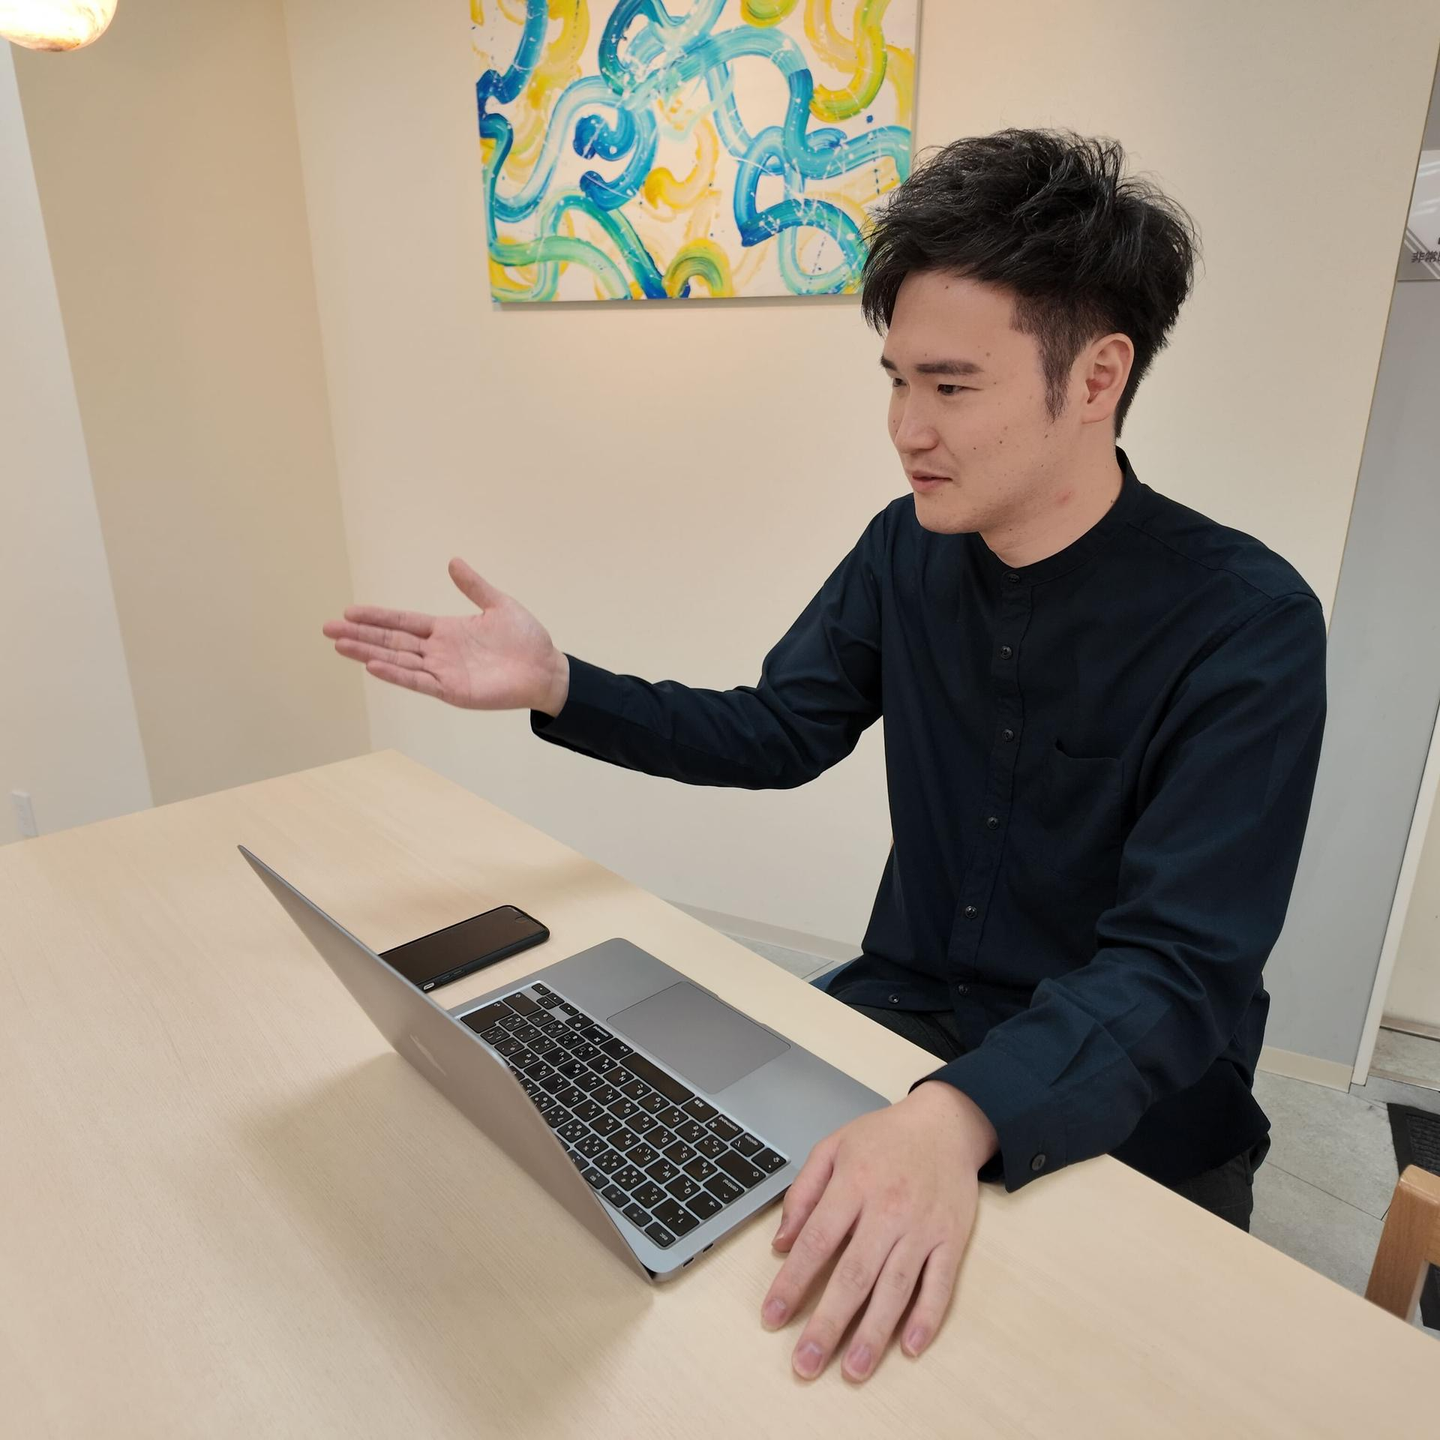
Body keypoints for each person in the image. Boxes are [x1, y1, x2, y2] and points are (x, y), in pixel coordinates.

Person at [321, 128, 1326, 1386]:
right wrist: (559, 681)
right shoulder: (907, 549)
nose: (907, 429)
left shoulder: (1246, 623)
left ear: (1097, 376)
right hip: (900, 1030)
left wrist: (959, 1115)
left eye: (951, 387)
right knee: (659, 1282)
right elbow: (776, 729)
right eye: (895, 381)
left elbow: (1178, 968)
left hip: (1141, 1102)